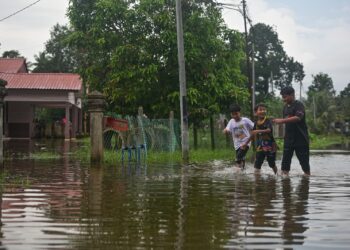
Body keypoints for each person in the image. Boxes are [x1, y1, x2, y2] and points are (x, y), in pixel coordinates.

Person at [273, 86, 311, 176]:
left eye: (285, 97)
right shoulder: (285, 108)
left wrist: (281, 121)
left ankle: (307, 178)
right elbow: (286, 123)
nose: (283, 99)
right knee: (285, 164)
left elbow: (298, 118)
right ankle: (285, 183)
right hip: (288, 139)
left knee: (304, 163)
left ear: (292, 95)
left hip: (301, 139)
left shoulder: (299, 105)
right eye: (282, 97)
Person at [243, 103, 278, 174]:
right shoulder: (256, 123)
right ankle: (257, 182)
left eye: (264, 110)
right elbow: (252, 134)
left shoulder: (268, 121)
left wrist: (257, 131)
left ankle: (277, 175)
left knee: (271, 164)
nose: (263, 111)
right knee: (257, 164)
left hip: (270, 146)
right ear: (256, 112)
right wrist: (245, 143)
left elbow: (268, 130)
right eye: (260, 110)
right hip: (260, 146)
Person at [223, 104, 254, 169]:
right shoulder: (231, 121)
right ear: (231, 114)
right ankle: (243, 171)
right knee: (241, 158)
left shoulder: (245, 120)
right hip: (237, 144)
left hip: (246, 142)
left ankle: (237, 173)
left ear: (240, 113)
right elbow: (227, 129)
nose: (235, 116)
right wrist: (225, 130)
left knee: (238, 158)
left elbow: (254, 127)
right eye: (233, 114)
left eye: (236, 114)